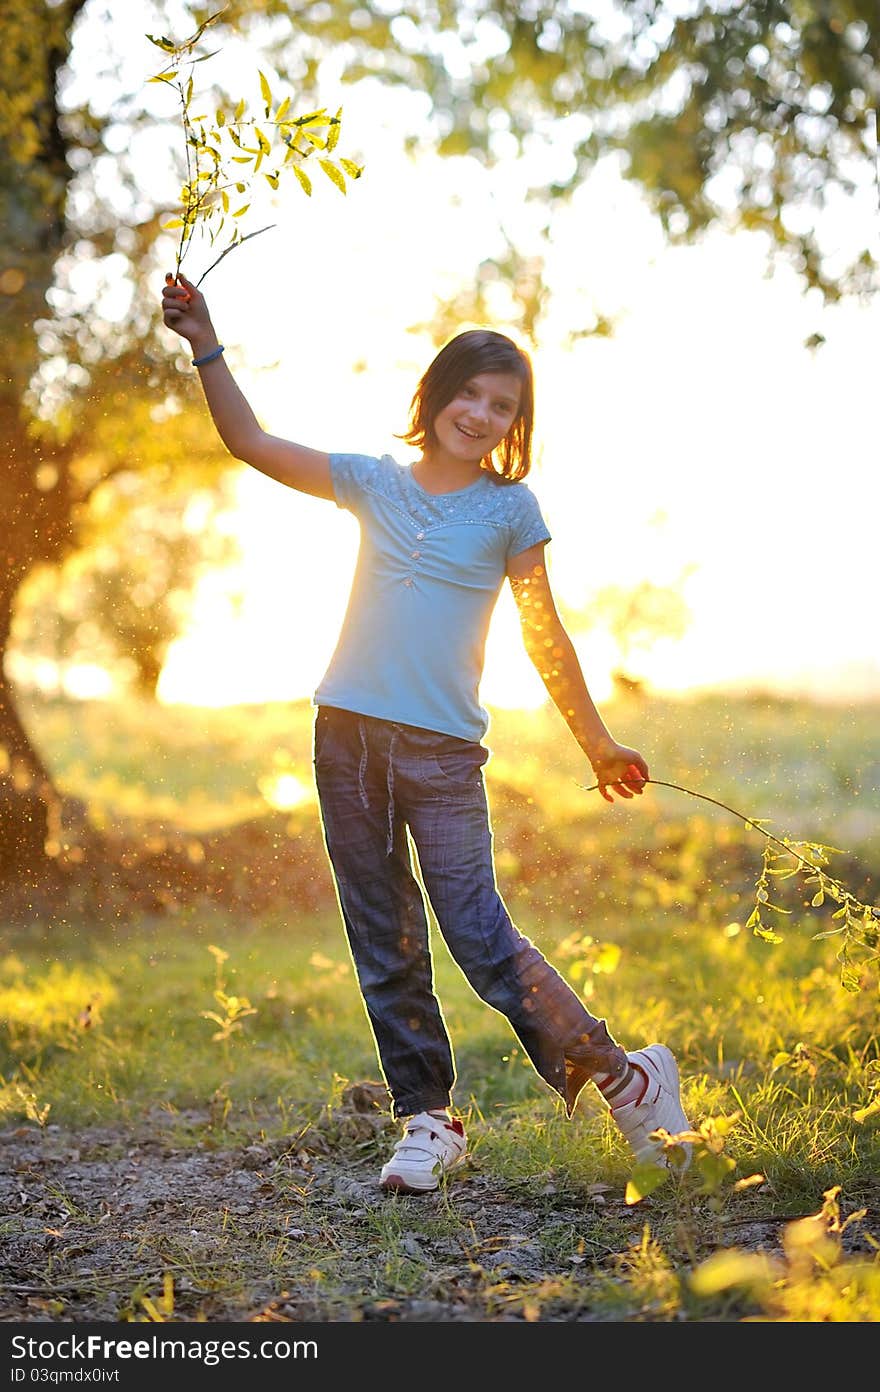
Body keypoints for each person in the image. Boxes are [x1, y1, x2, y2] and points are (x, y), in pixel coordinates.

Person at [161, 271, 692, 1193]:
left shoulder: (509, 510)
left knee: (479, 933)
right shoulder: (371, 483)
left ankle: (625, 1076)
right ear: (436, 394)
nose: (481, 414)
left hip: (443, 755)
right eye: (469, 394)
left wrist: (596, 742)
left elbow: (544, 631)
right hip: (346, 740)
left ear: (515, 421)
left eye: (502, 404)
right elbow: (248, 441)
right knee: (383, 933)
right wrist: (205, 342)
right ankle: (427, 1120)